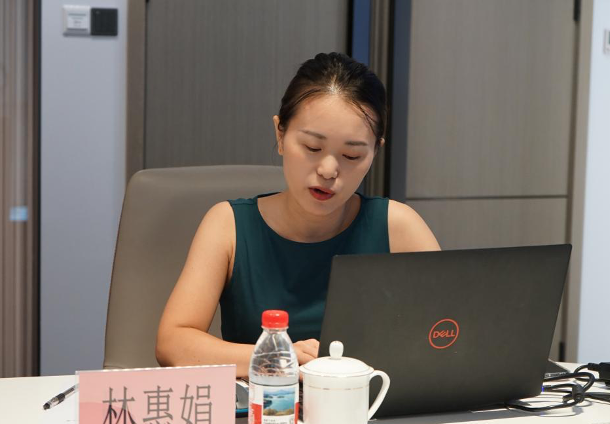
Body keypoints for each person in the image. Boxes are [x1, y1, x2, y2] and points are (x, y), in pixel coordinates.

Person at [155, 52, 440, 377]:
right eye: (312, 148)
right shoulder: (228, 226)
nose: (329, 170)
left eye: (352, 155)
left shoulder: (398, 227)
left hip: (372, 406)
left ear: (375, 151)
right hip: (266, 404)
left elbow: (453, 336)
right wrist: (278, 357)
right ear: (280, 135)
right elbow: (173, 344)